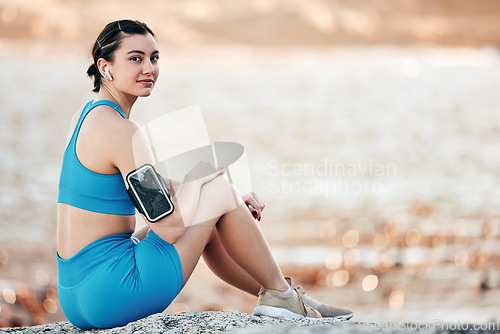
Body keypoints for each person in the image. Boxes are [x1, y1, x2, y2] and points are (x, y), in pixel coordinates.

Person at [56, 19, 353, 329]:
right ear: (106, 67)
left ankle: (284, 297)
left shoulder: (87, 115)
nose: (149, 68)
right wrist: (201, 183)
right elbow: (169, 227)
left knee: (213, 208)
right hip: (115, 292)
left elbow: (151, 195)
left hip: (77, 297)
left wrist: (219, 195)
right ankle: (284, 296)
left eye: (154, 57)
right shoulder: (123, 131)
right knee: (217, 192)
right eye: (135, 58)